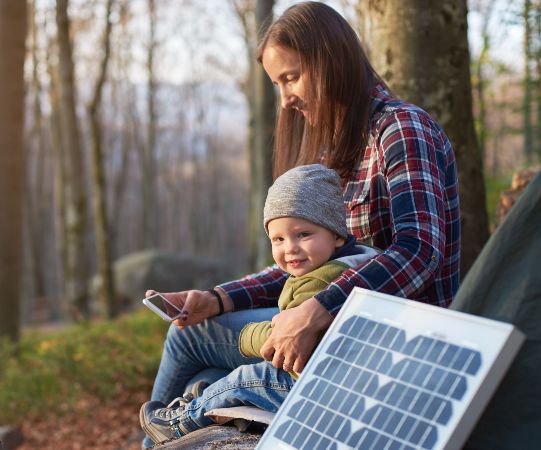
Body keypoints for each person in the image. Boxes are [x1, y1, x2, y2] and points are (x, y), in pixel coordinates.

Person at [138, 1, 460, 446]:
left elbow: (420, 250)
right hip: (338, 328)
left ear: (330, 61)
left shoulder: (401, 130)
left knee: (189, 343)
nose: (286, 98)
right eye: (277, 83)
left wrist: (317, 308)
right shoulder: (336, 152)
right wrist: (217, 299)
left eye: (291, 77)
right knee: (203, 357)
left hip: (388, 346)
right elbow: (307, 259)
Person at [235, 164, 379, 372]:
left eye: (303, 235)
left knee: (240, 377)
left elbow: (287, 341)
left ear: (337, 234)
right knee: (209, 372)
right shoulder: (361, 258)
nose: (290, 248)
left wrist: (247, 336)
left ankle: (195, 404)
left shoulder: (319, 281)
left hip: (309, 375)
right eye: (278, 239)